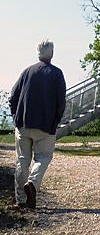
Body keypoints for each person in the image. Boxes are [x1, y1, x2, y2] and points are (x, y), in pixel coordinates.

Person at [9, 40, 66, 210]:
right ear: (52, 53)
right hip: (46, 126)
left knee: (22, 160)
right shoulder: (57, 74)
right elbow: (61, 102)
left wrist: (15, 117)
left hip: (23, 123)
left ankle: (20, 199)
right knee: (43, 158)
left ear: (38, 52)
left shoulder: (27, 71)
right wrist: (56, 121)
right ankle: (32, 184)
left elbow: (13, 96)